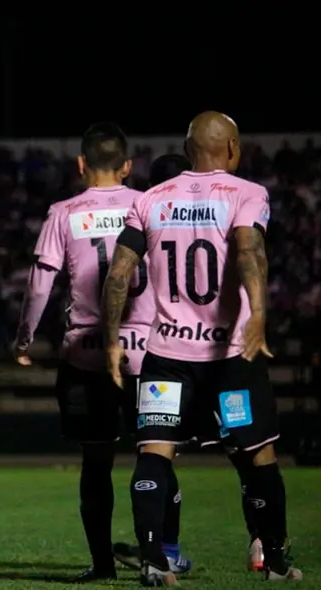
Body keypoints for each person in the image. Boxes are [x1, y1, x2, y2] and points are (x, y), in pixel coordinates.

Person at [101, 111, 302, 585]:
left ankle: (154, 562)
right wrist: (259, 316)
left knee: (153, 453)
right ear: (231, 148)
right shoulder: (247, 194)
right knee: (258, 456)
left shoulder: (151, 200)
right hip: (230, 357)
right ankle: (274, 561)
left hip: (167, 356)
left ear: (190, 150)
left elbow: (117, 274)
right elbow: (249, 250)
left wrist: (112, 339)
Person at [13, 123, 191, 582]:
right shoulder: (150, 204)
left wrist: (25, 338)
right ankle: (164, 554)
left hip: (87, 354)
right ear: (129, 165)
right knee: (157, 454)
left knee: (96, 462)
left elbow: (39, 284)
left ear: (81, 165)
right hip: (152, 351)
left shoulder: (63, 212)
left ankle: (103, 564)